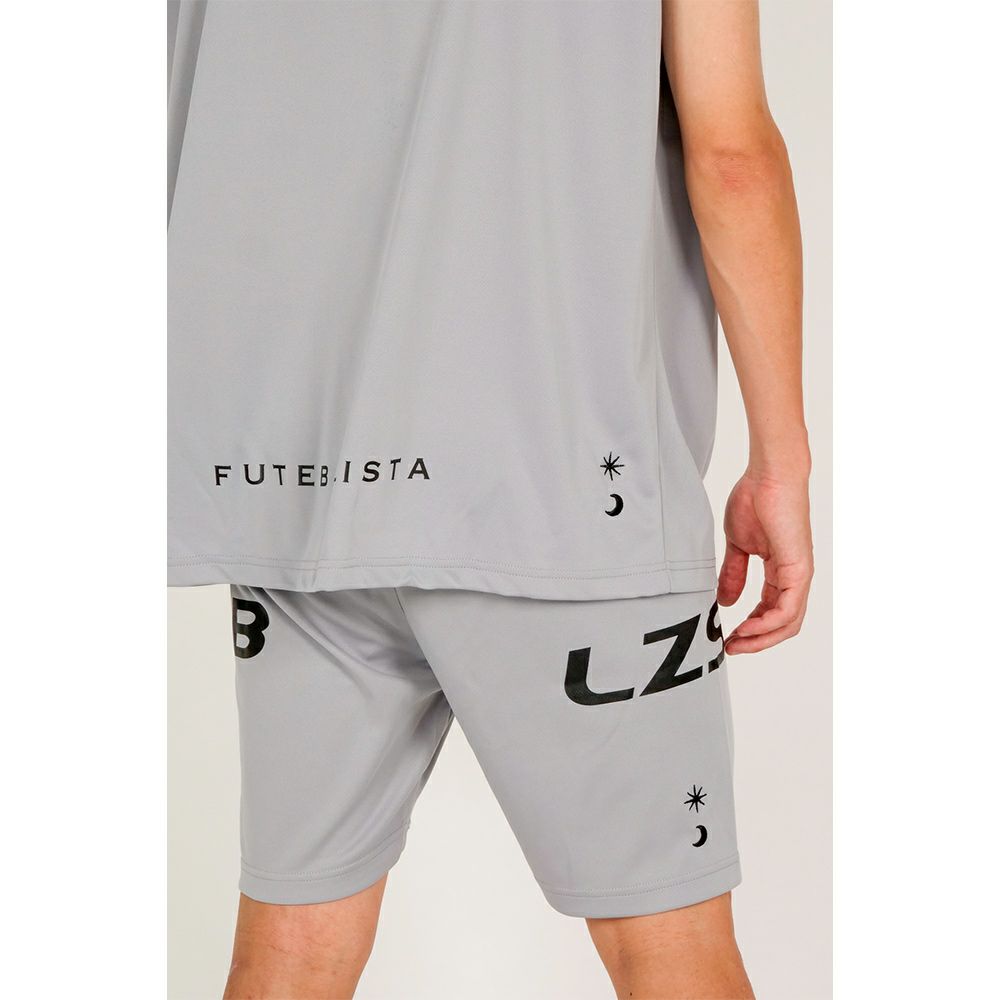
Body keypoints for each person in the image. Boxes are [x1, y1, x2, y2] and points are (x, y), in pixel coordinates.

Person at [168, 0, 812, 996]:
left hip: (298, 486)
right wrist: (781, 459)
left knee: (288, 949)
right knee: (669, 952)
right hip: (563, 489)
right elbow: (731, 157)